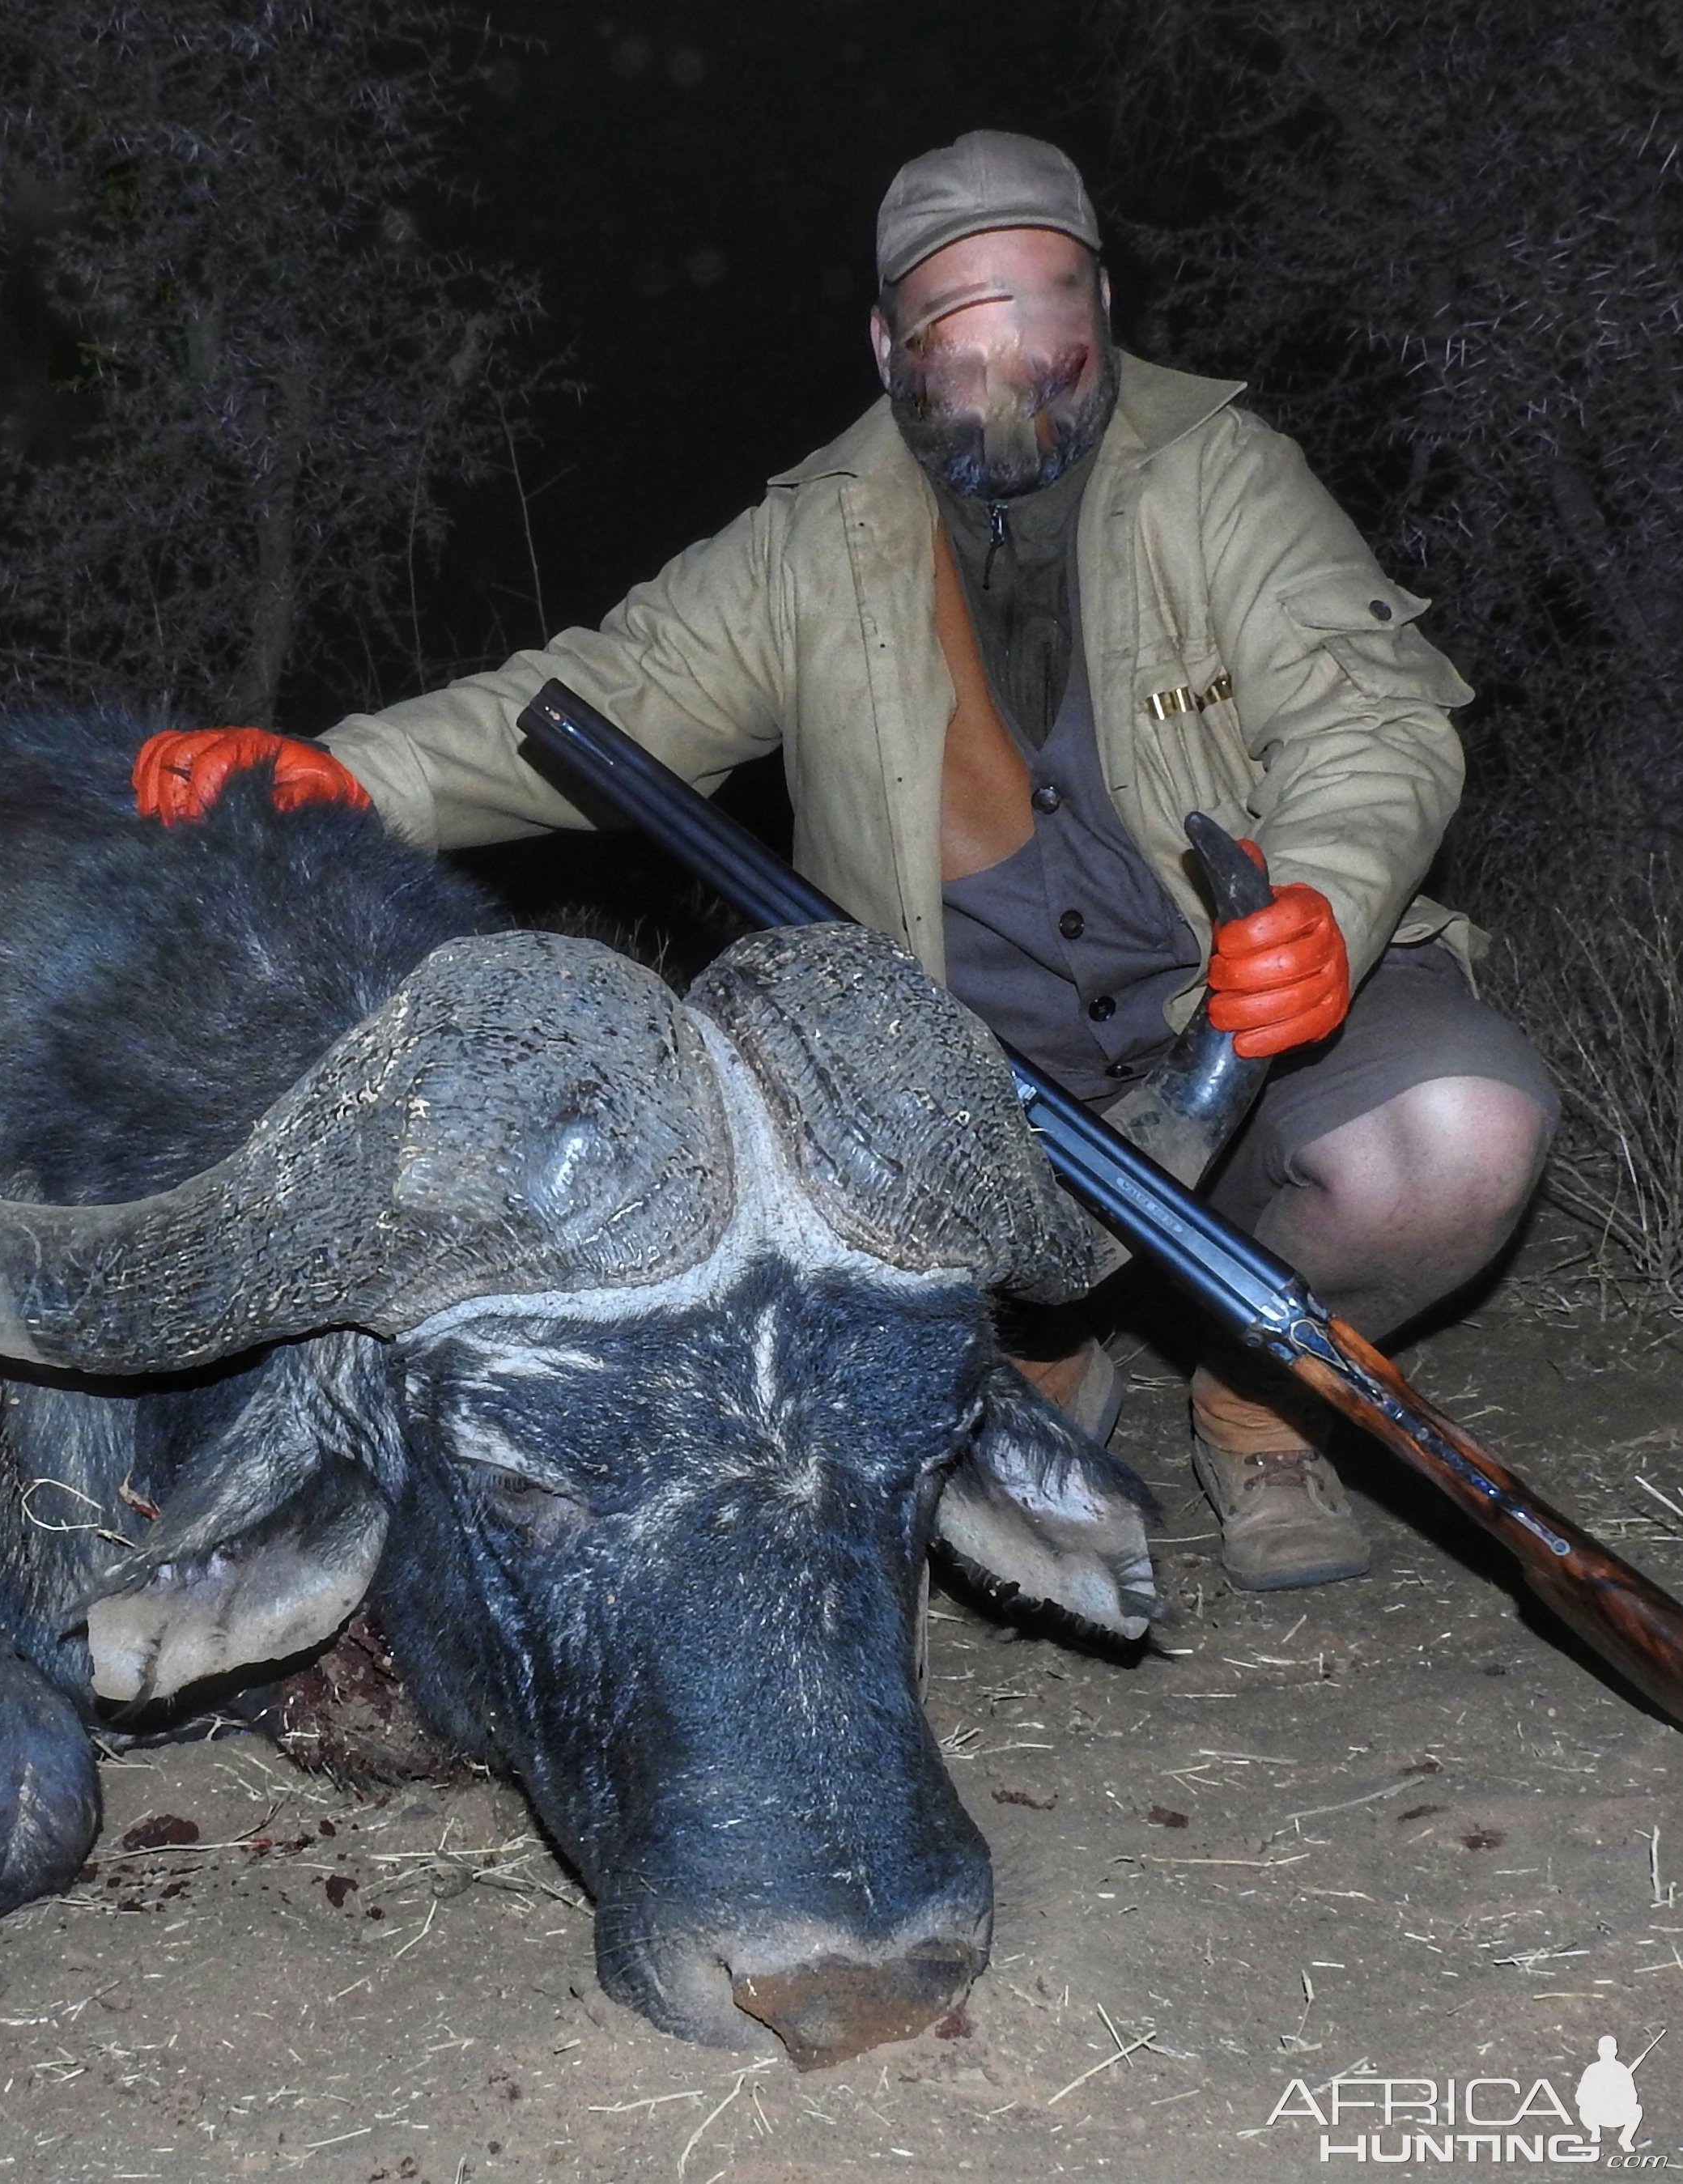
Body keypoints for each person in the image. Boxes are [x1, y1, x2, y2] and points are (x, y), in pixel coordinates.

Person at [134, 130, 1555, 1593]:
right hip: (965, 1076)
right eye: (959, 323)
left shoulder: (1223, 473)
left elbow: (1371, 717)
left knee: (1455, 1139)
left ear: (1104, 309)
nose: (1015, 358)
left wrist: (1320, 894)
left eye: (1049, 306)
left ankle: (1258, 1396)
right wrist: (345, 771)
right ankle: (1030, 1358)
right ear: (887, 344)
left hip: (1230, 1019)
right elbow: (598, 699)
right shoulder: (804, 536)